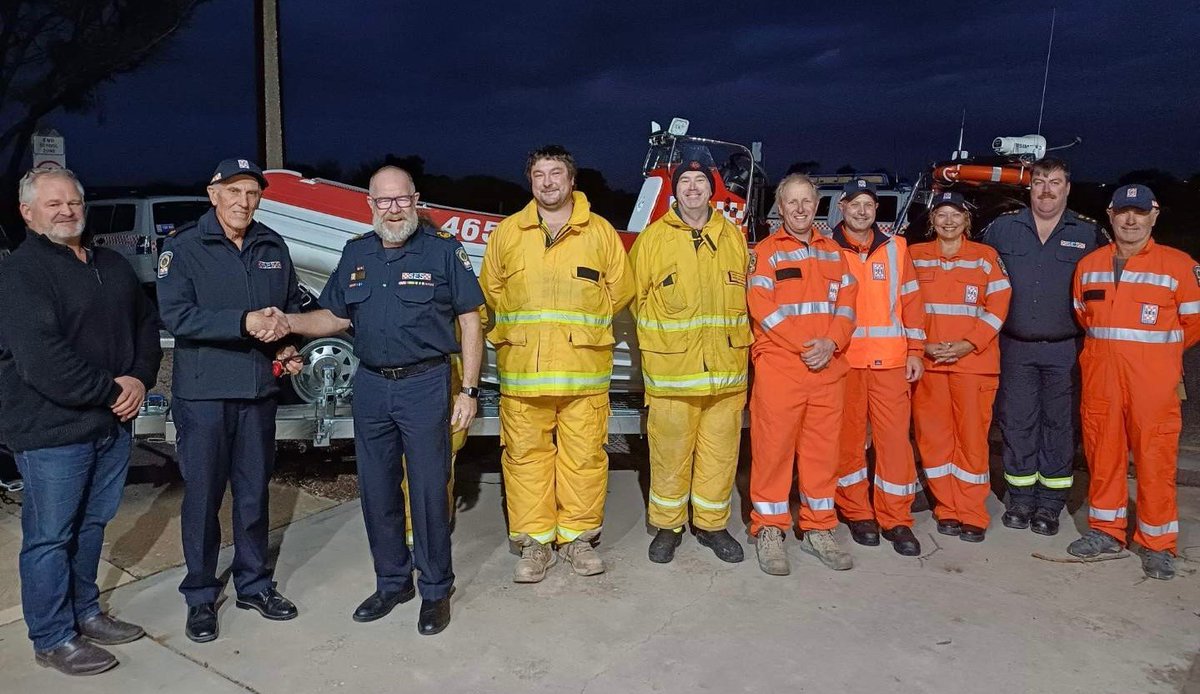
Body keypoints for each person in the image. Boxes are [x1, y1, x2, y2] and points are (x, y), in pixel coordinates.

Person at [285, 166, 483, 634]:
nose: (393, 209)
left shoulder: (443, 252)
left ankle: (435, 589)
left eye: (402, 200)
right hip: (371, 385)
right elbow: (333, 317)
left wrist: (470, 391)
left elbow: (471, 321)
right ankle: (392, 581)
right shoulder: (356, 254)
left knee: (430, 488)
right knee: (376, 488)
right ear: (370, 204)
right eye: (383, 201)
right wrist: (288, 324)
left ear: (416, 201)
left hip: (425, 383)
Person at [0, 167, 161, 675]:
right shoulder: (20, 273)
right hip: (53, 431)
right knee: (50, 535)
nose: (67, 211)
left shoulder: (110, 264)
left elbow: (145, 323)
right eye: (54, 204)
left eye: (73, 202)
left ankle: (85, 612)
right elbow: (40, 357)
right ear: (28, 213)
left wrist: (138, 377)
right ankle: (52, 636)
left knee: (91, 525)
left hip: (109, 427)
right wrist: (111, 390)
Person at [156, 158, 307, 643]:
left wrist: (287, 346)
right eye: (235, 191)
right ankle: (201, 596)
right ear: (213, 193)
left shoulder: (271, 245)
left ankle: (253, 584)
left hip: (258, 392)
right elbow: (177, 316)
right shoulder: (183, 248)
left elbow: (287, 310)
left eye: (253, 194)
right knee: (202, 500)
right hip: (203, 396)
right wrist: (242, 322)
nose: (244, 202)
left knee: (253, 495)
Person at [480, 145, 634, 582]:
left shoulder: (600, 233)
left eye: (556, 174)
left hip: (583, 373)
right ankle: (535, 543)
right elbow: (492, 291)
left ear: (571, 181)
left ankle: (579, 539)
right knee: (525, 457)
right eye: (539, 175)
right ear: (531, 182)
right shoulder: (508, 233)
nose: (548, 182)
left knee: (584, 458)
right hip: (523, 373)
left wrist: (582, 327)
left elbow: (621, 289)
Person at [1068, 184, 1200, 580]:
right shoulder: (1089, 264)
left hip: (1153, 384)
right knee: (1102, 454)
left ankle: (1157, 543)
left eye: (1139, 213)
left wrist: (1156, 359)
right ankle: (1106, 531)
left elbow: (1192, 324)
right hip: (1101, 378)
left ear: (1154, 215)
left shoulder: (1178, 266)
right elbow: (1082, 314)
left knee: (1154, 460)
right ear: (1110, 214)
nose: (1130, 220)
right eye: (1123, 212)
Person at [629, 159, 750, 565]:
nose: (693, 188)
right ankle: (668, 526)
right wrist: (660, 346)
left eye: (701, 181)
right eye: (685, 181)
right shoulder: (653, 240)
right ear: (674, 191)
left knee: (720, 456)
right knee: (669, 455)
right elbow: (636, 302)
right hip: (672, 375)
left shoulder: (732, 236)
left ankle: (712, 526)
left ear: (711, 189)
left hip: (726, 375)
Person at [979, 157, 1106, 535]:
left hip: (1065, 350)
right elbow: (979, 276)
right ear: (1029, 187)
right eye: (1039, 182)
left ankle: (1050, 503)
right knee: (1017, 423)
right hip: (1014, 347)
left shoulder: (1088, 234)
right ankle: (1019, 498)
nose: (1046, 190)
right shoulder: (1003, 230)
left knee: (1059, 425)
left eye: (1055, 182)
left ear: (1067, 188)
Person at [747, 173, 858, 574]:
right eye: (791, 202)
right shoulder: (767, 252)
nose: (799, 209)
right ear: (779, 206)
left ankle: (818, 527)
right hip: (782, 367)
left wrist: (830, 343)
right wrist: (806, 346)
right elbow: (762, 306)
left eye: (806, 201)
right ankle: (770, 528)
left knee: (821, 455)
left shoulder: (836, 253)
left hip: (827, 368)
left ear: (818, 205)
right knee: (773, 452)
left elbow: (848, 308)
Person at [830, 179, 927, 556]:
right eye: (855, 204)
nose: (862, 210)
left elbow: (912, 303)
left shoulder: (896, 248)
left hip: (891, 363)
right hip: (846, 362)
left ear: (876, 210)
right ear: (842, 207)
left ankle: (896, 518)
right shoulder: (827, 250)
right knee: (848, 442)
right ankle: (857, 512)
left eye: (869, 204)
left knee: (894, 444)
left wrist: (916, 350)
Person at [910, 192, 1011, 542]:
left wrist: (968, 344)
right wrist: (923, 346)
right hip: (930, 364)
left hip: (974, 364)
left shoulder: (986, 258)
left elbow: (998, 307)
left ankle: (972, 512)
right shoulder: (915, 257)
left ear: (967, 221)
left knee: (971, 440)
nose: (948, 221)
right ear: (931, 221)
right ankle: (946, 509)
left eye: (956, 214)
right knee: (934, 440)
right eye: (941, 215)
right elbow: (903, 306)